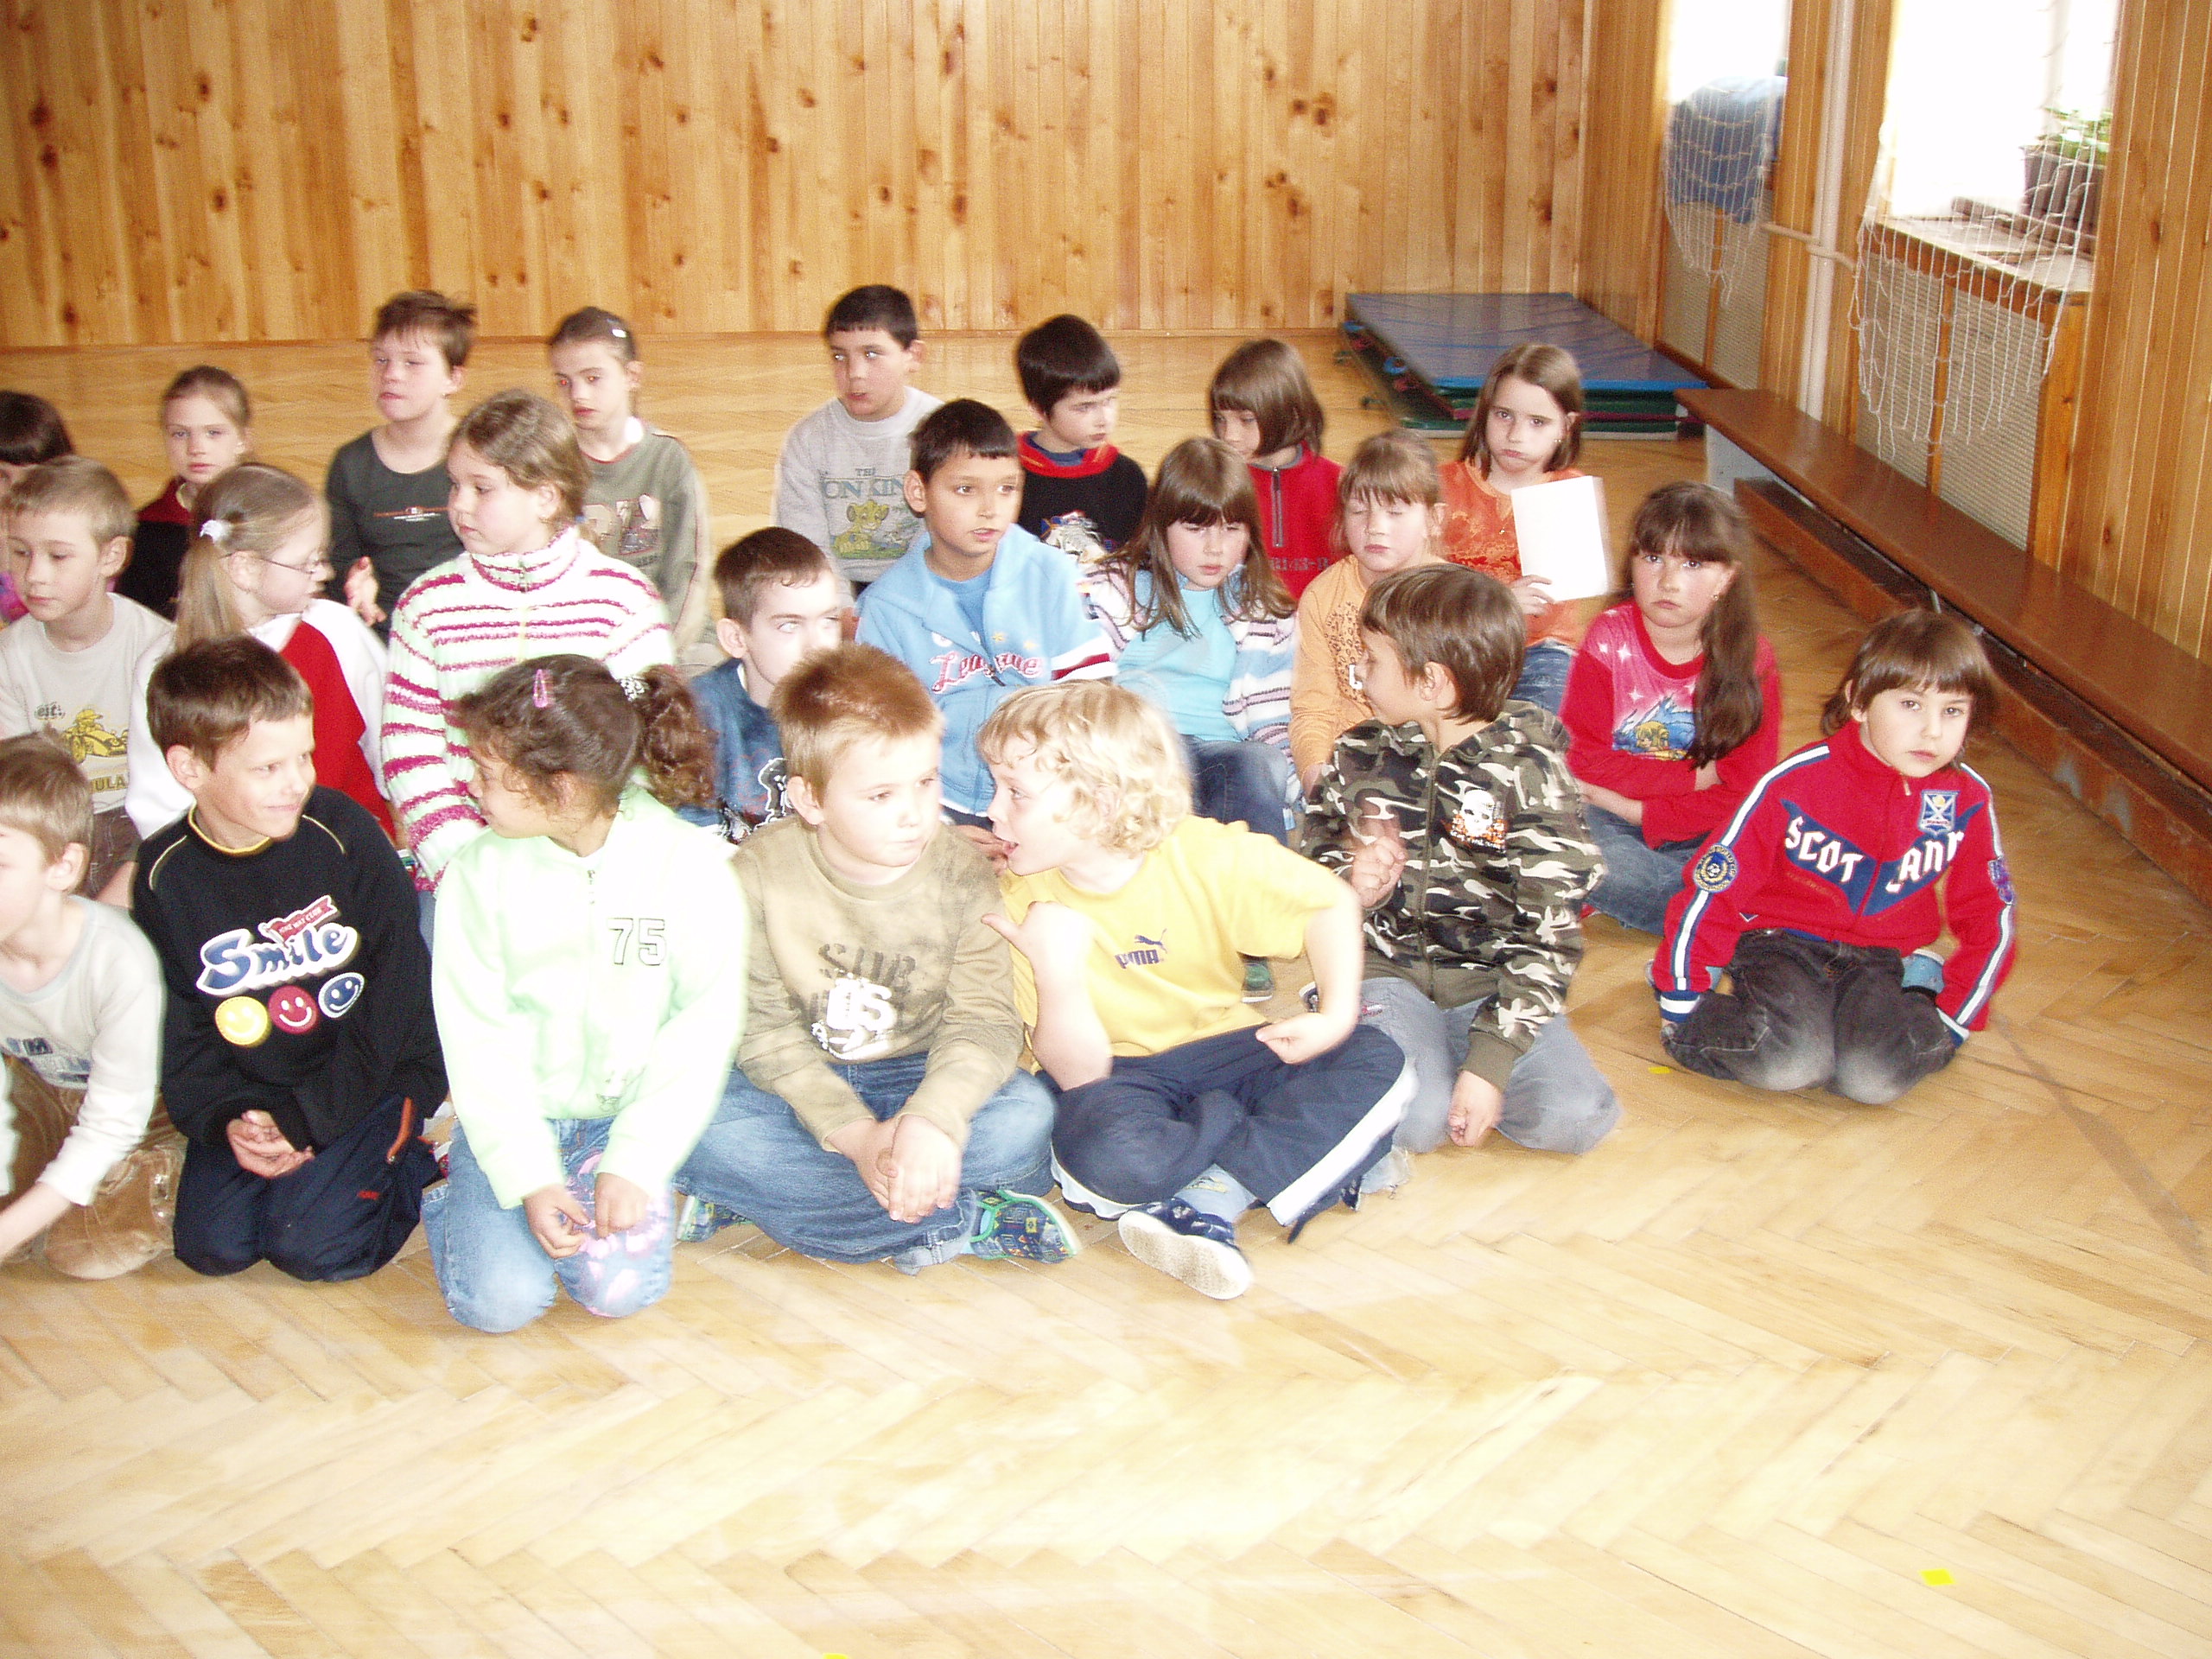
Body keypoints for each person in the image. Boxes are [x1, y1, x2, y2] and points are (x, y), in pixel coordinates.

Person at [980, 682, 1410, 1300]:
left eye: (1016, 792)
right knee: (1111, 1159)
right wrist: (1056, 969)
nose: (993, 811)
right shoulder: (1019, 903)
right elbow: (1079, 1077)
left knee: (1375, 1056)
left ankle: (1210, 1197)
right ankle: (1293, 1155)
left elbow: (1330, 903)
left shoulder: (1203, 853)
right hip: (1120, 1077)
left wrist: (1336, 1016)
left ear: (1099, 802)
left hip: (1230, 1049)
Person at [676, 644, 1077, 1270]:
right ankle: (965, 1219)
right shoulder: (756, 873)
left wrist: (932, 1121)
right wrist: (859, 1137)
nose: (915, 815)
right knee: (698, 1123)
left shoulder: (964, 873)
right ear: (811, 800)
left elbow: (983, 1021)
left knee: (1026, 1119)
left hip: (919, 1069)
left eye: (926, 782)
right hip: (795, 1079)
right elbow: (762, 1034)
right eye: (880, 795)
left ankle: (789, 1202)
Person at [423, 656, 746, 1332]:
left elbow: (700, 1030)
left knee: (618, 1294)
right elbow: (478, 1038)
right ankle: (460, 1198)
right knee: (499, 1306)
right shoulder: (476, 876)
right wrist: (529, 1177)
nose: (472, 787)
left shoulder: (690, 868)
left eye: (488, 774)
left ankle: (600, 1191)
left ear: (562, 788)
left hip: (619, 1122)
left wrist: (636, 1161)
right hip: (515, 1118)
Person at [133, 637, 445, 1282]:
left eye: (303, 756)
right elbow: (182, 1024)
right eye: (267, 768)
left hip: (371, 1073)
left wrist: (310, 1117)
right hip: (258, 1087)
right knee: (212, 1248)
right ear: (189, 768)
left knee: (310, 1248)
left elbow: (397, 993)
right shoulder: (165, 875)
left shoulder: (346, 833)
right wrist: (228, 1120)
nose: (297, 782)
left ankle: (423, 1164)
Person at [1305, 564, 1618, 1179]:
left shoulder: (1531, 775)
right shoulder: (1359, 754)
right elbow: (1312, 861)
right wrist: (1350, 883)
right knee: (1416, 1121)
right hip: (1387, 972)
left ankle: (1446, 1055)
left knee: (1576, 1117)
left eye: (1371, 661)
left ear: (1432, 683)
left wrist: (1492, 1062)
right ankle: (1384, 1040)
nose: (1358, 673)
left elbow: (1550, 933)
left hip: (1491, 983)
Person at [1656, 609, 2018, 1103]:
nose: (1933, 731)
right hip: (1780, 943)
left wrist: (1956, 1014)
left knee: (1873, 1082)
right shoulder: (1796, 782)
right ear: (1859, 701)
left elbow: (1990, 912)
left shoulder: (1966, 798)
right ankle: (1726, 1015)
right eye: (1911, 705)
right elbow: (1715, 885)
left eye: (1953, 711)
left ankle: (1918, 990)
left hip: (1879, 959)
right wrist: (1682, 994)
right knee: (1790, 1062)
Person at [381, 388, 671, 899]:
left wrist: (589, 862)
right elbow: (409, 749)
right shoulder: (425, 606)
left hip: (593, 871)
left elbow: (645, 744)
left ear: (546, 497)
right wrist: (463, 866)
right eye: (454, 484)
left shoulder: (623, 601)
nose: (459, 504)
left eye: (482, 488)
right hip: (467, 872)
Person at [855, 398, 1111, 830]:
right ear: (918, 492)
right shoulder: (885, 609)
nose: (990, 508)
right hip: (939, 805)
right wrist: (939, 831)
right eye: (965, 490)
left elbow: (1091, 701)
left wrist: (1052, 808)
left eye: (1007, 488)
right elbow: (881, 745)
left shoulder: (1053, 576)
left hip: (1049, 797)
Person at [126, 462, 392, 838]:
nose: (325, 573)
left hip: (352, 849)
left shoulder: (337, 630)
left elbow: (392, 745)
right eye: (308, 562)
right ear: (245, 568)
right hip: (234, 862)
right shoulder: (164, 666)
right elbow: (162, 807)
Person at [1564, 482, 1779, 933]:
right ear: (1632, 562)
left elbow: (1745, 789)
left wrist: (1641, 811)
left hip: (1700, 819)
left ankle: (1685, 905)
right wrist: (1694, 777)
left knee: (1763, 847)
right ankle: (1714, 913)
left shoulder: (1751, 661)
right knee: (1580, 850)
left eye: (1694, 564)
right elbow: (1583, 758)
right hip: (1605, 814)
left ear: (1727, 578)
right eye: (1653, 558)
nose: (1668, 581)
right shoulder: (1608, 638)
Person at [0, 734, 177, 1279]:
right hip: (41, 1090)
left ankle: (173, 1169)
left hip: (146, 1110)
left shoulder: (117, 958)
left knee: (85, 1252)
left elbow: (113, 1119)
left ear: (62, 866)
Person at [1082, 435, 1299, 846]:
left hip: (1223, 753)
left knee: (1260, 763)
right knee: (1168, 762)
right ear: (1161, 526)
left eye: (1232, 529)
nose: (1215, 548)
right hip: (1141, 748)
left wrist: (1298, 790)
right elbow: (1080, 692)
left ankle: (1261, 879)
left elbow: (1274, 720)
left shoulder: (1267, 611)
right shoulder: (1113, 591)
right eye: (1196, 529)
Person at [0, 457, 173, 902]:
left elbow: (174, 797)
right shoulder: (8, 658)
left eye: (58, 556)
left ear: (111, 557)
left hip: (145, 826)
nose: (34, 575)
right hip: (55, 828)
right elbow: (21, 794)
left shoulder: (159, 646)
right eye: (20, 552)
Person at [546, 305, 715, 661]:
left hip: (673, 637)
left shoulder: (668, 459)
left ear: (632, 376)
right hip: (586, 644)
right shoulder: (552, 466)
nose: (577, 394)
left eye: (593, 378)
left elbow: (690, 571)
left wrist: (659, 657)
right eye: (564, 381)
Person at [1287, 429, 1445, 788]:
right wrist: (1316, 780)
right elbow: (1313, 709)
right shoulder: (1323, 597)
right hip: (1351, 761)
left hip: (1431, 765)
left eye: (1395, 512)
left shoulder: (1453, 599)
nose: (1375, 528)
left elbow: (1464, 719)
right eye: (1359, 511)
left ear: (1433, 520)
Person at [1438, 342, 1590, 712]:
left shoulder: (1569, 494)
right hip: (1453, 647)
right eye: (1504, 415)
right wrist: (1501, 600)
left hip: (1539, 652)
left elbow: (1546, 613)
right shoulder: (1441, 486)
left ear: (1566, 426)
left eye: (1538, 422)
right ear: (1484, 413)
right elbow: (1421, 585)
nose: (1516, 435)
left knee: (1543, 723)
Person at [773, 284, 944, 586]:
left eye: (872, 353)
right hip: (830, 587)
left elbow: (943, 537)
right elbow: (805, 543)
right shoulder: (808, 439)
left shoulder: (943, 428)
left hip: (919, 586)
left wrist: (894, 603)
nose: (855, 373)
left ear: (913, 356)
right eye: (839, 357)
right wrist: (838, 605)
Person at [327, 289, 474, 633]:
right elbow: (338, 563)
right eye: (381, 360)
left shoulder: (484, 455)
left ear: (453, 378)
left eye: (412, 362)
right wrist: (353, 579)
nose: (391, 374)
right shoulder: (351, 463)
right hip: (381, 637)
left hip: (470, 635)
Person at [688, 527, 851, 833]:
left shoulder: (858, 705)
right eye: (789, 625)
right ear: (736, 638)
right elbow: (690, 840)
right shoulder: (698, 714)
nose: (816, 646)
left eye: (828, 621)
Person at [1208, 338, 1341, 600]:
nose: (1229, 435)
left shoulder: (1339, 483)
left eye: (1246, 420)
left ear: (1289, 411)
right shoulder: (1217, 483)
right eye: (1221, 419)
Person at [124, 366, 255, 620]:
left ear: (243, 439)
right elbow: (138, 621)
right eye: (180, 434)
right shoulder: (145, 531)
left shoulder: (275, 516)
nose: (196, 448)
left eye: (213, 433)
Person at [1014, 313, 1147, 561]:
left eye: (1109, 400)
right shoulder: (1009, 477)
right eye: (1084, 407)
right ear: (1039, 409)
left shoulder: (1127, 478)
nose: (1103, 418)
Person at [0, 391, 74, 624]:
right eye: (1, 476)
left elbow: (51, 624)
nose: (15, 490)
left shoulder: (75, 531)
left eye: (32, 475)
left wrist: (9, 565)